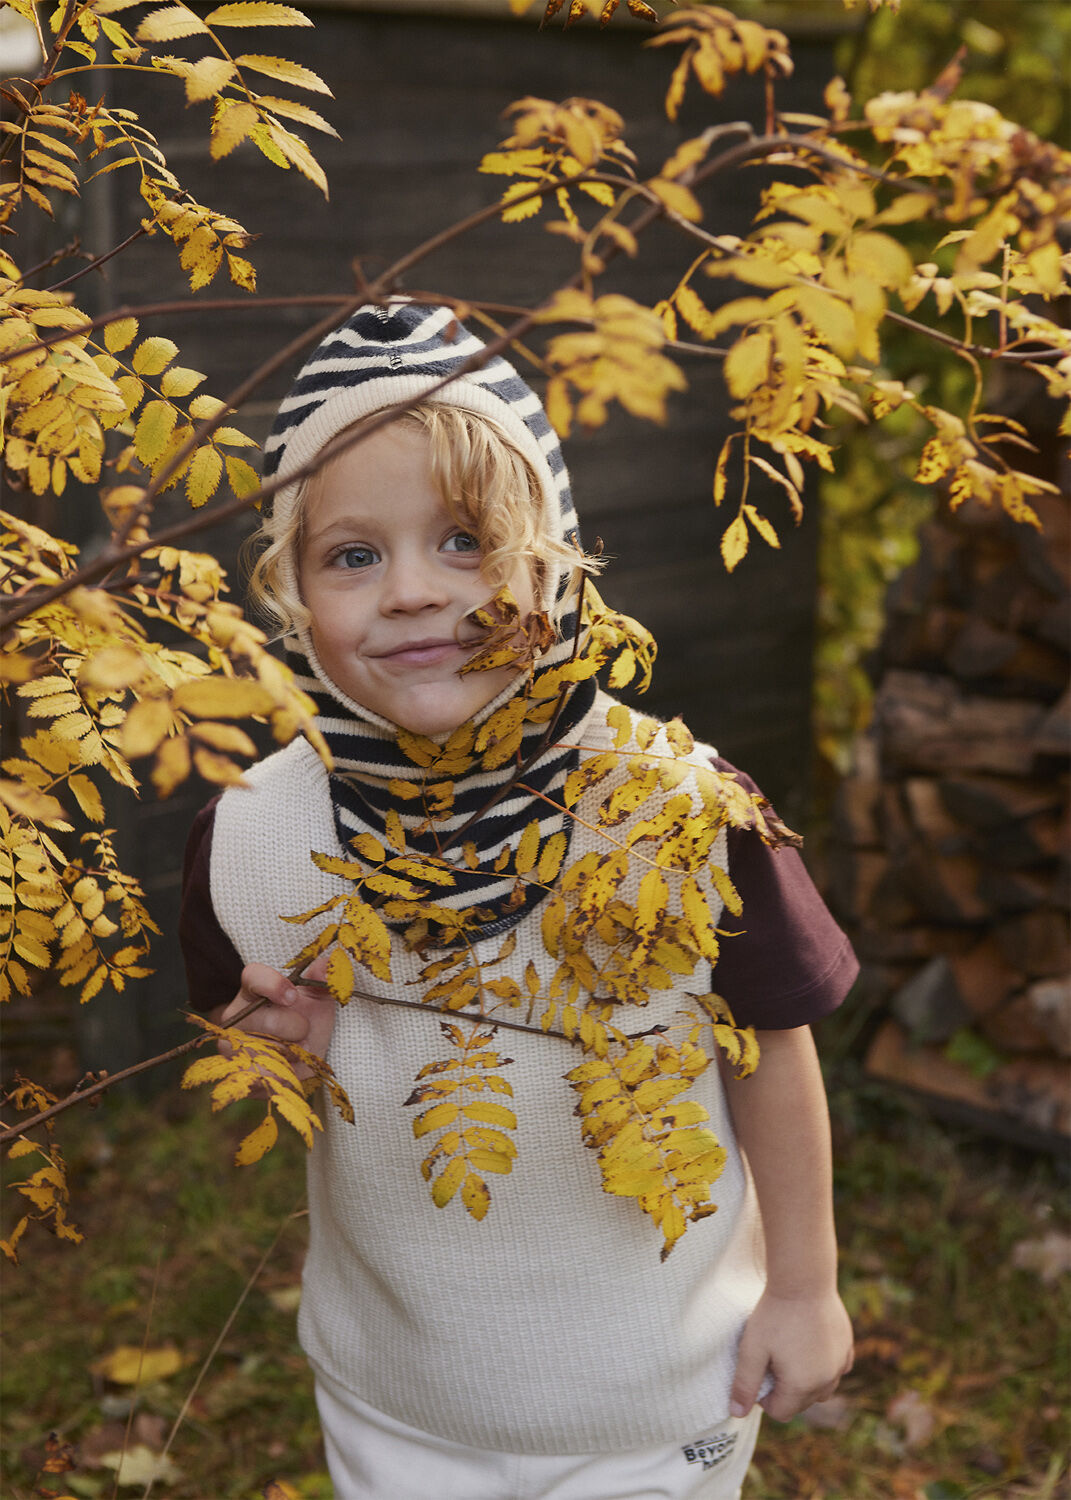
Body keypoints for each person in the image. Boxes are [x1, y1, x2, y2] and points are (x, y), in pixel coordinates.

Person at [180, 301, 856, 1500]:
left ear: (555, 552)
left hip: (656, 1386)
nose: (411, 594)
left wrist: (803, 1290)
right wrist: (294, 1049)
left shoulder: (680, 816)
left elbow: (769, 1051)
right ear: (288, 588)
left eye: (465, 540)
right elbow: (243, 1056)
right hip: (402, 1391)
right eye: (352, 555)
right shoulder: (257, 835)